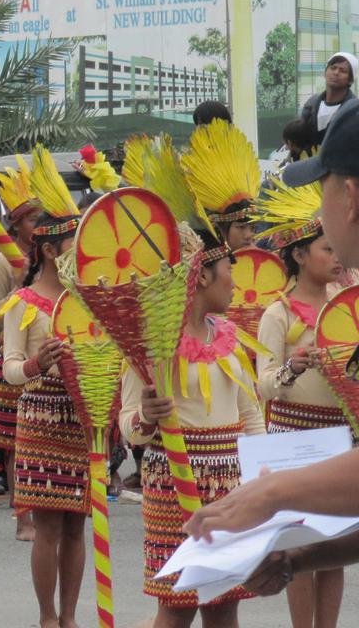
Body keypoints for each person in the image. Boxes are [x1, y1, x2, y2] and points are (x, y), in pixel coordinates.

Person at [187, 101, 359, 586]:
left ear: (348, 196)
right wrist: (300, 560)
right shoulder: (280, 314)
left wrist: (272, 493)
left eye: (319, 188)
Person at [121, 143, 265, 628]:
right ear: (202, 274)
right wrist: (146, 415)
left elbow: (250, 414)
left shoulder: (230, 337)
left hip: (229, 479)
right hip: (171, 478)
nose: (234, 281)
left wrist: (258, 473)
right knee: (177, 605)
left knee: (225, 605)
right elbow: (130, 430)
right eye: (228, 270)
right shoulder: (150, 345)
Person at [249, 178, 346, 628]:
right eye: (326, 249)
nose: (335, 257)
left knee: (335, 545)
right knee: (300, 543)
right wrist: (295, 367)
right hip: (293, 435)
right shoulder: (278, 313)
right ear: (299, 255)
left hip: (338, 433)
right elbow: (264, 384)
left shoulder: (347, 305)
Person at [0, 147, 87, 628]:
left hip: (81, 415)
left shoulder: (91, 300)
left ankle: (71, 616)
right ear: (50, 249)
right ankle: (47, 616)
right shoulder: (23, 302)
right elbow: (10, 368)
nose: (82, 248)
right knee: (49, 524)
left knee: (77, 524)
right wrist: (38, 362)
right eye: (73, 240)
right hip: (41, 413)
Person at [0, 156, 40, 541]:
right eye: (31, 219)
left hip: (48, 354)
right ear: (15, 224)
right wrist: (18, 290)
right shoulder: (0, 264)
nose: (37, 226)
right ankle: (23, 515)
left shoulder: (51, 259)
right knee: (18, 439)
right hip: (16, 354)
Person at [184, 120, 260, 252]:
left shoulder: (267, 262)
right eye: (241, 227)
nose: (249, 235)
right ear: (222, 228)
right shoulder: (208, 264)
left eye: (252, 227)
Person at [294, 52, 357, 154]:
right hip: (309, 166)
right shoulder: (311, 104)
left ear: (350, 80)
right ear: (325, 72)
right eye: (333, 68)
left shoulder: (354, 111)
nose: (336, 73)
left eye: (343, 71)